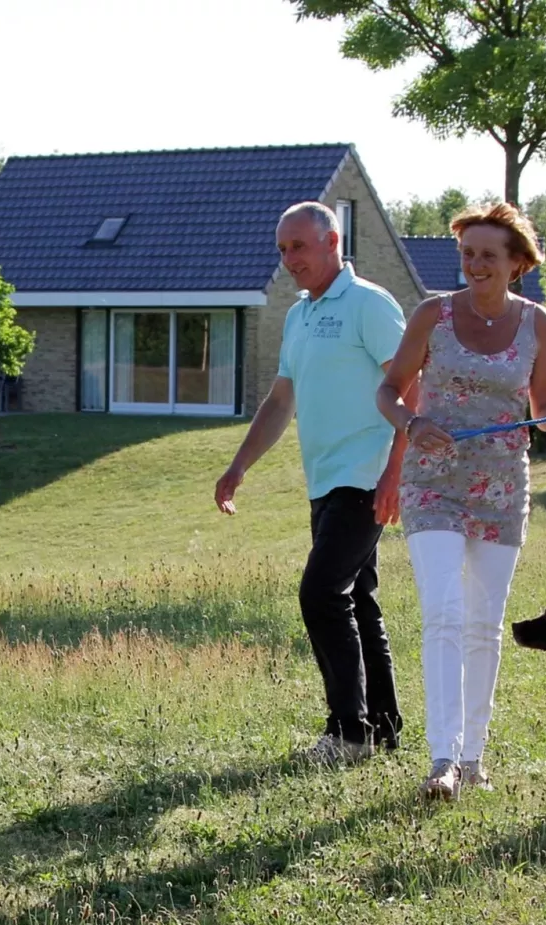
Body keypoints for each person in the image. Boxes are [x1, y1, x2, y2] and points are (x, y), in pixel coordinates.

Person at [374, 201, 546, 801]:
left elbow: (542, 413)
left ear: (517, 264)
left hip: (500, 488)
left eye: (488, 255)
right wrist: (413, 424)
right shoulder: (432, 315)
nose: (474, 265)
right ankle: (441, 760)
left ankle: (474, 758)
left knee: (483, 625)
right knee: (442, 612)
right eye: (467, 253)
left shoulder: (536, 323)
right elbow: (389, 390)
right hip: (433, 483)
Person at [215, 201, 413, 765]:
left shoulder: (369, 305)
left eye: (298, 246)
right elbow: (281, 400)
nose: (288, 259)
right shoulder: (298, 316)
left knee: (321, 594)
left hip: (366, 476)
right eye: (281, 249)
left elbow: (410, 391)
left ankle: (348, 733)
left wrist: (397, 470)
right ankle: (383, 727)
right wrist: (239, 466)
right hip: (324, 482)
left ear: (333, 242)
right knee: (359, 601)